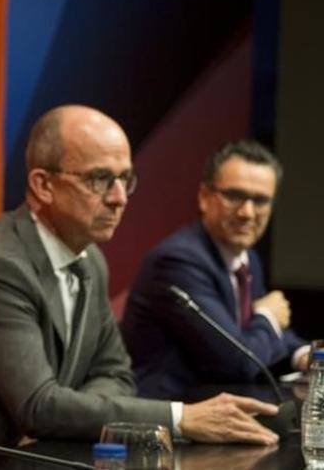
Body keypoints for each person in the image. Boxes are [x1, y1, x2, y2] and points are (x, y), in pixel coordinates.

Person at [0, 106, 279, 470]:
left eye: (125, 178)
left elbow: (117, 372)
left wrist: (67, 412)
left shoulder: (90, 260)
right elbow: (38, 405)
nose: (119, 198)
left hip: (32, 456)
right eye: (100, 179)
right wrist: (181, 418)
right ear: (43, 185)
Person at [121, 140, 307, 400]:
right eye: (234, 196)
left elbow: (256, 334)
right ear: (204, 197)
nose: (247, 212)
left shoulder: (247, 258)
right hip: (168, 418)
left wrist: (306, 355)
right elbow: (239, 362)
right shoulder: (178, 260)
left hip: (219, 407)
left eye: (261, 200)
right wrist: (268, 315)